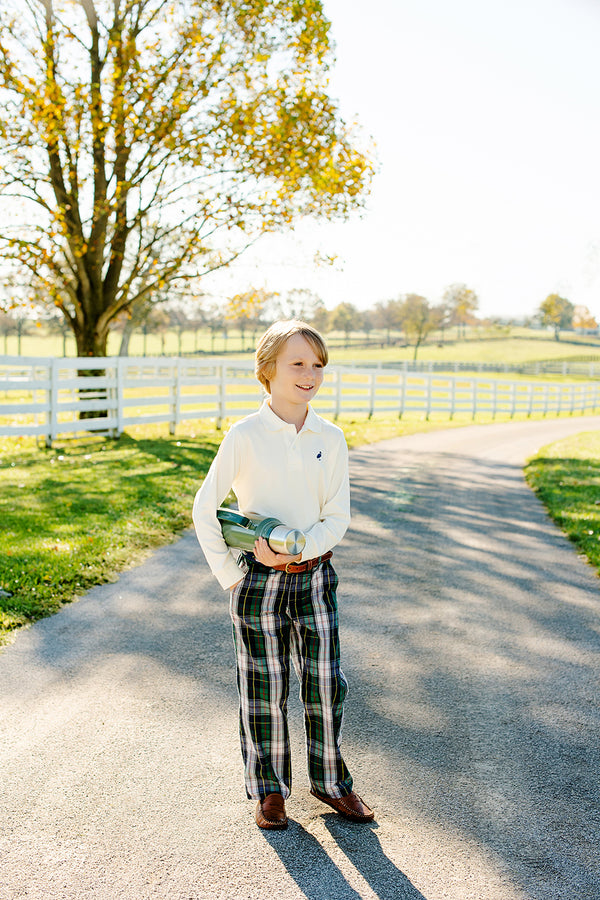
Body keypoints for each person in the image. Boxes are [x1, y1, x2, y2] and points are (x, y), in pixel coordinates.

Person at [192, 319, 374, 830]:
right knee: (263, 686)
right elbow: (205, 508)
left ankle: (332, 784)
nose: (309, 373)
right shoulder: (244, 435)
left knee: (324, 684)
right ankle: (270, 792)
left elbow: (337, 516)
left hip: (316, 579)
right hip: (257, 585)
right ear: (268, 370)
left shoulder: (330, 437)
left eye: (317, 364)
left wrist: (301, 551)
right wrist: (231, 574)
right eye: (297, 363)